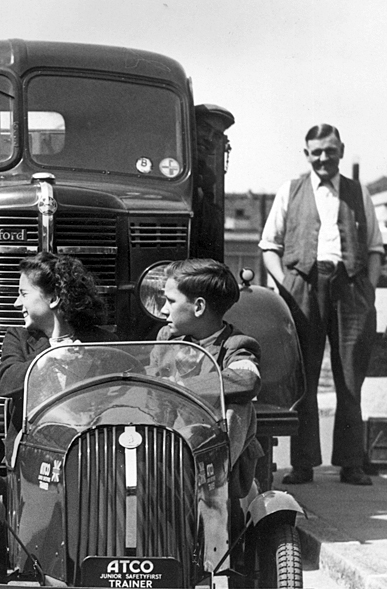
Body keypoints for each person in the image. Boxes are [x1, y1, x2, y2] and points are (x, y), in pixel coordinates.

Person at [259, 124, 383, 486]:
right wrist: (287, 284)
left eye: (329, 150)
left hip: (351, 288)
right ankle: (303, 464)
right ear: (306, 154)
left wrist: (369, 288)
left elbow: (375, 247)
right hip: (304, 289)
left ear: (341, 150)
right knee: (304, 378)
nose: (323, 158)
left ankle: (351, 463)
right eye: (316, 152)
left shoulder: (358, 192)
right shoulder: (291, 190)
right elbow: (270, 245)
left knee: (349, 377)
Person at [0, 252, 114, 464]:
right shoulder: (18, 337)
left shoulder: (101, 341)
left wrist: (85, 358)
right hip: (32, 457)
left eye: (23, 294)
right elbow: (2, 382)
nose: (16, 303)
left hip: (92, 455)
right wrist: (49, 358)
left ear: (54, 299)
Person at [151, 259, 263, 488]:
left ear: (199, 307)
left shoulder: (236, 345)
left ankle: (198, 482)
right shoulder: (168, 338)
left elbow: (248, 379)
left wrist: (177, 387)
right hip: (163, 448)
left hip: (212, 468)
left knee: (240, 406)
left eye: (170, 301)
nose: (163, 310)